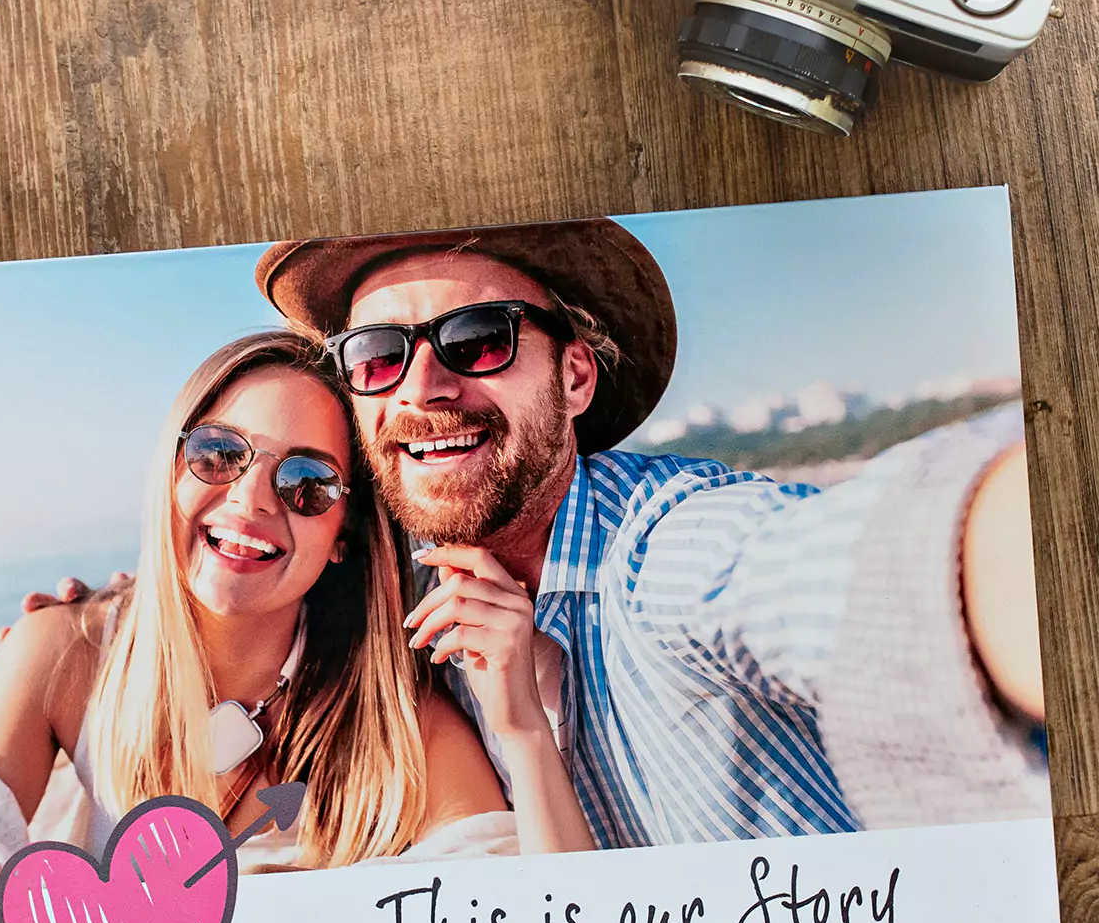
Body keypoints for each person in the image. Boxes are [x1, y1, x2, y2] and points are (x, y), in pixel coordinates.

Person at [247, 219, 1047, 846]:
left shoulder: (663, 548)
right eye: (378, 354)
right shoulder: (394, 598)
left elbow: (856, 566)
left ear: (574, 378)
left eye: (479, 339)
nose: (422, 387)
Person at [0, 331, 595, 898]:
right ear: (172, 465)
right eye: (219, 454)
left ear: (345, 532)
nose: (251, 499)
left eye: (306, 481)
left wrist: (524, 728)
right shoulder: (65, 652)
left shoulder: (394, 721)